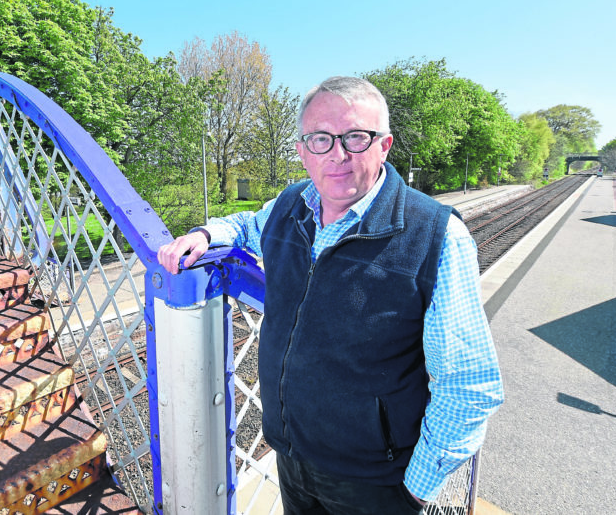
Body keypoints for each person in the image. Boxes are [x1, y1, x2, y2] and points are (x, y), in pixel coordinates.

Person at [158, 76, 503, 514]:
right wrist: (208, 233)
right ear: (303, 150)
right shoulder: (291, 204)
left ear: (385, 145)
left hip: (377, 482)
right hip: (291, 455)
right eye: (320, 139)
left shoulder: (437, 235)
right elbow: (248, 224)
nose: (338, 155)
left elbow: (469, 385)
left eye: (356, 137)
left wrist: (413, 489)